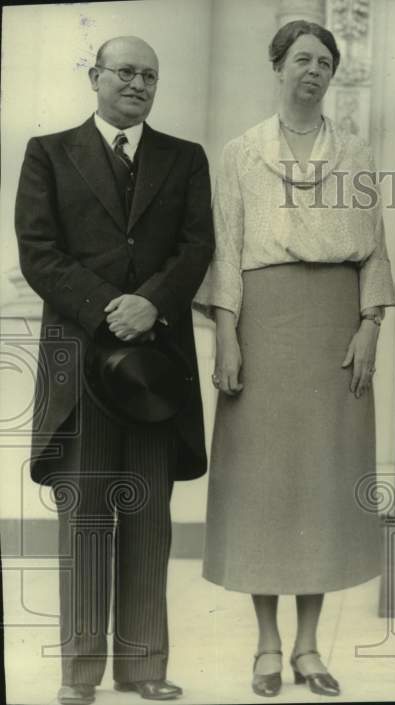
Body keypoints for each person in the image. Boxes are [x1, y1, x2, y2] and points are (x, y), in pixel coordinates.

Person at [195, 20, 394, 698]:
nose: (314, 70)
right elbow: (225, 246)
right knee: (263, 483)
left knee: (321, 481)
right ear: (278, 66)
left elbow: (375, 248)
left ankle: (309, 646)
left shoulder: (357, 152)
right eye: (302, 59)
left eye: (326, 61)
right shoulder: (241, 152)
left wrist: (370, 325)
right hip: (264, 321)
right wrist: (227, 333)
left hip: (333, 328)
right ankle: (267, 643)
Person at [14, 36, 214, 705]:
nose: (137, 83)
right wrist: (109, 307)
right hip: (81, 367)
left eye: (149, 75)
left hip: (157, 367)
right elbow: (39, 252)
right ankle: (78, 674)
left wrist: (150, 302)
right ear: (95, 77)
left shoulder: (185, 159)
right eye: (125, 72)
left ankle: (143, 667)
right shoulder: (48, 153)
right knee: (87, 520)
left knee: (148, 517)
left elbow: (196, 246)